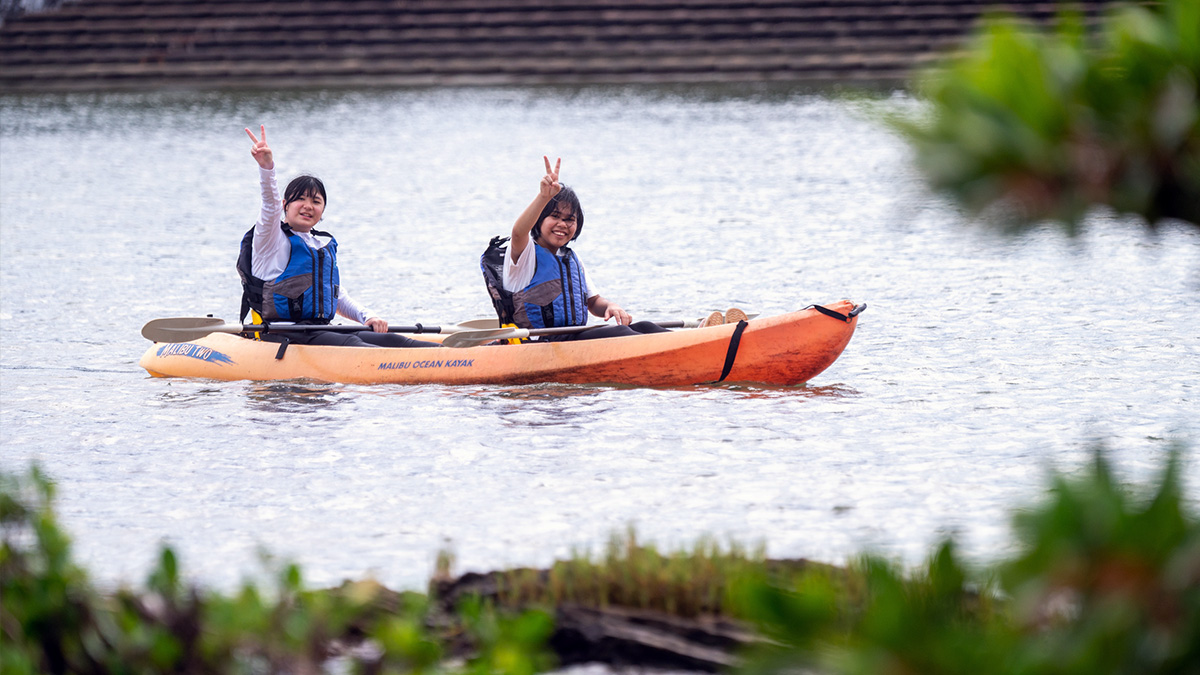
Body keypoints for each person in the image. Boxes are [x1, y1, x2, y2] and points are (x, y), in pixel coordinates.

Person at [237, 125, 439, 348]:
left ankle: (453, 357)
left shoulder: (317, 245)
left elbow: (337, 296)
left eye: (316, 201)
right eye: (300, 199)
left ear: (322, 210)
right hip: (284, 332)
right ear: (285, 205)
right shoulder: (269, 239)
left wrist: (367, 316)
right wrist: (267, 168)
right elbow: (269, 204)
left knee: (393, 339)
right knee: (353, 343)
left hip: (319, 330)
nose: (308, 206)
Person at [497, 157, 676, 340]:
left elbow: (594, 302)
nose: (562, 224)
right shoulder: (524, 254)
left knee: (645, 326)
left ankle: (690, 344)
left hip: (571, 340)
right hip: (538, 342)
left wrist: (609, 306)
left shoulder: (571, 258)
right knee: (621, 333)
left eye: (569, 219)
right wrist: (544, 197)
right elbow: (519, 232)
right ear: (539, 220)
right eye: (555, 216)